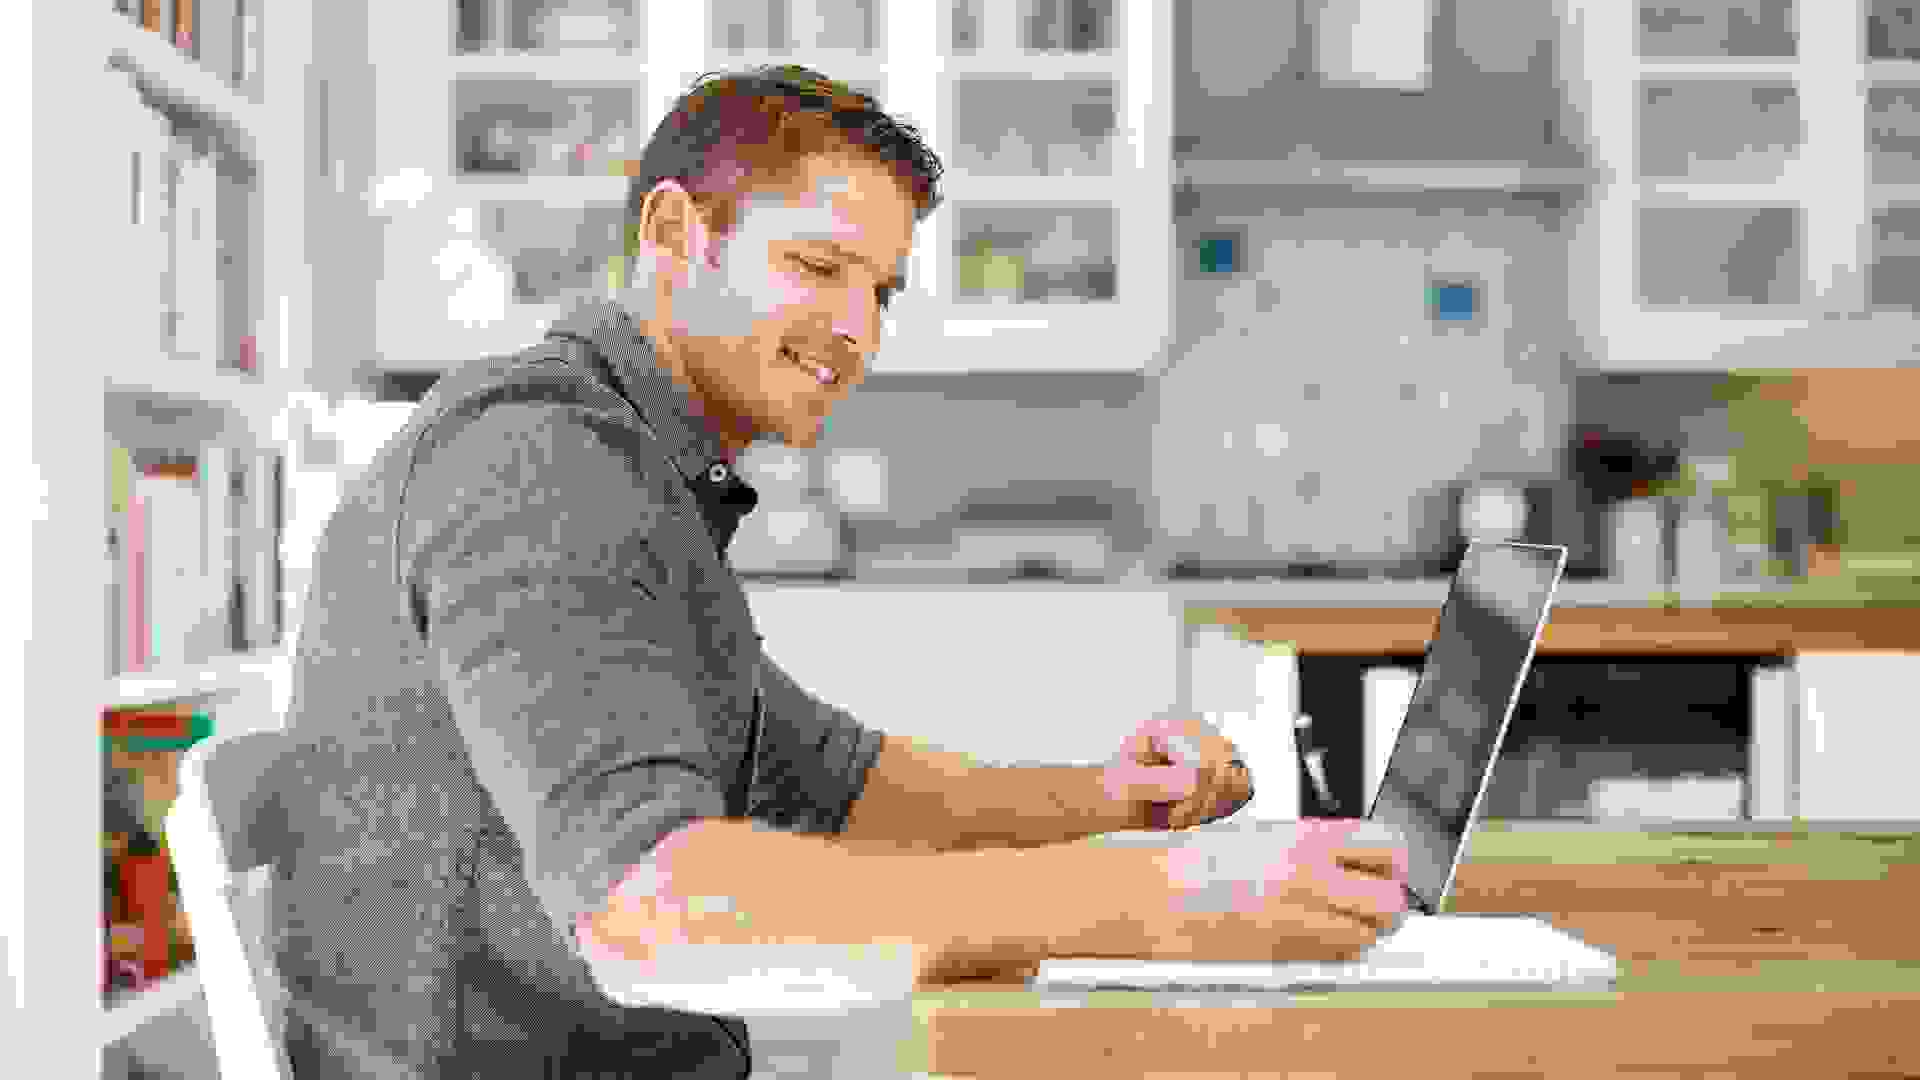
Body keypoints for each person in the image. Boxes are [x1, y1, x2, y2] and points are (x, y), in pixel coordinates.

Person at [269, 64, 1409, 1079]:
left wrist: (1109, 801)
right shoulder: (545, 460)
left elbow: (828, 777)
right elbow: (652, 906)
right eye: (818, 266)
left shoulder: (632, 467)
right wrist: (1167, 905)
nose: (858, 328)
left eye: (882, 290)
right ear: (675, 236)